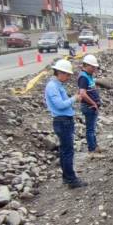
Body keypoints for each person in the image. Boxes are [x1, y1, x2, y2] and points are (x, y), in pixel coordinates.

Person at [44, 59, 87, 189]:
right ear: (59, 72)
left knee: (65, 151)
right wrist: (74, 98)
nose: (68, 77)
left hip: (64, 121)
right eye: (67, 74)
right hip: (62, 121)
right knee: (67, 151)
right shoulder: (52, 86)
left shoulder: (57, 85)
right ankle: (71, 179)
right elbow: (60, 105)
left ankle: (66, 177)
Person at [78, 54, 103, 155]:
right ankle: (92, 150)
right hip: (89, 107)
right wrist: (94, 103)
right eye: (92, 67)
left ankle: (95, 146)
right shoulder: (83, 77)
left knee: (92, 127)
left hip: (92, 107)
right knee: (90, 129)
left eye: (95, 67)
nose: (94, 69)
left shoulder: (88, 75)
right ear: (86, 65)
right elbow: (82, 93)